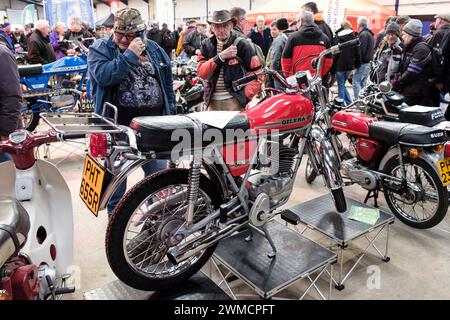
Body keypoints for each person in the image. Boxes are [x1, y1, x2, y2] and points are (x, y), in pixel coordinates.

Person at [88, 8, 174, 214]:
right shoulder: (100, 48)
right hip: (118, 131)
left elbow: (167, 84)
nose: (125, 39)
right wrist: (129, 55)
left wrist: (171, 116)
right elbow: (103, 77)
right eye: (120, 34)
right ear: (113, 30)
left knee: (158, 181)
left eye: (131, 35)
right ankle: (116, 232)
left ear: (141, 32)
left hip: (154, 129)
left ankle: (155, 227)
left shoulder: (153, 49)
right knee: (116, 188)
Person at [197, 10, 263, 111]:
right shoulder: (206, 45)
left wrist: (244, 94)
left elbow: (258, 74)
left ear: (231, 26)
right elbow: (202, 73)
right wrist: (220, 57)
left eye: (225, 25)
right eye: (217, 26)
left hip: (235, 102)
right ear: (212, 28)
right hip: (212, 103)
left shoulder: (242, 44)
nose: (221, 29)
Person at [281, 10, 333, 77]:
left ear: (301, 21)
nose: (296, 23)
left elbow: (285, 59)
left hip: (297, 79)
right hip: (315, 80)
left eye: (297, 21)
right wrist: (320, 73)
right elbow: (329, 61)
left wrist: (288, 75)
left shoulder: (293, 37)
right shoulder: (324, 38)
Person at [393, 19, 432, 106]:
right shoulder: (410, 47)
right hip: (408, 90)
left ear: (410, 35)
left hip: (416, 94)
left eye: (403, 35)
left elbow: (412, 72)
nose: (402, 37)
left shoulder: (421, 49)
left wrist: (398, 82)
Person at [0, 42, 23, 162]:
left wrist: (5, 132)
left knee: (8, 175)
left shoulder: (2, 54)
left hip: (4, 135)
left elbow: (12, 96)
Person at [334, 20, 361, 105]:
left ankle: (341, 103)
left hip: (340, 65)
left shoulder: (338, 37)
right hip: (350, 65)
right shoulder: (354, 36)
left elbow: (335, 53)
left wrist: (333, 66)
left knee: (341, 84)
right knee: (342, 84)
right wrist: (357, 64)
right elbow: (357, 52)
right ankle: (349, 102)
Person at [429, 13, 450, 107]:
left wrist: (438, 79)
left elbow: (438, 57)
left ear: (440, 20)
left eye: (436, 19)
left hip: (438, 78)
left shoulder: (439, 33)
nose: (435, 22)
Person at [267, 18, 293, 89]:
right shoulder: (295, 36)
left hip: (281, 74)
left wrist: (273, 75)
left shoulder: (280, 39)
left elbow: (275, 59)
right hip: (293, 73)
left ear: (278, 28)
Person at [353, 16, 374, 99]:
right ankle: (363, 102)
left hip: (363, 63)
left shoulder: (363, 34)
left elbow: (361, 51)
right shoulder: (369, 34)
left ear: (360, 24)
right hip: (367, 63)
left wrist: (356, 63)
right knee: (362, 83)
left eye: (358, 24)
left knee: (356, 82)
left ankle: (358, 102)